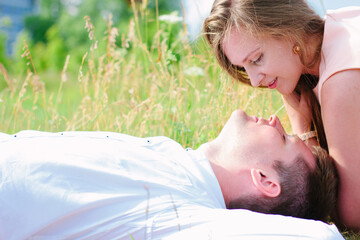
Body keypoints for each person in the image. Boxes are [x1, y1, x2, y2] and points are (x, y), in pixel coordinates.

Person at [0, 109, 337, 239]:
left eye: (283, 139)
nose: (278, 121)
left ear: (265, 180)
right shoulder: (178, 160)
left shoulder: (186, 215)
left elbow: (322, 238)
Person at [203, 0, 360, 232]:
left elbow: (353, 218)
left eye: (256, 59)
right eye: (244, 67)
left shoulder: (341, 82)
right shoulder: (339, 27)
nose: (255, 80)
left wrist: (302, 128)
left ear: (286, 27)